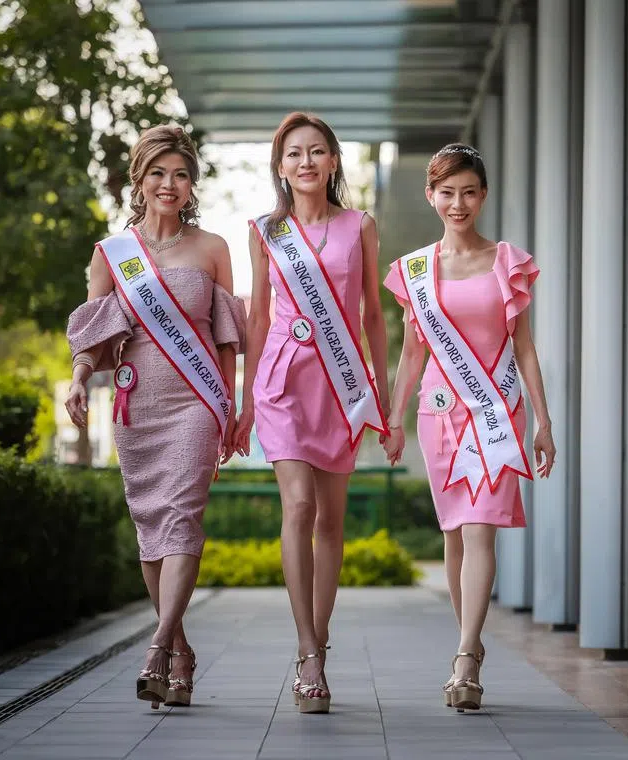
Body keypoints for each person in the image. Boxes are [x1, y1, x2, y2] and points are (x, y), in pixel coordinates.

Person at [65, 125, 245, 710]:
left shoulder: (213, 247)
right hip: (136, 399)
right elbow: (92, 336)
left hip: (196, 401)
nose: (170, 184)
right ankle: (182, 651)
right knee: (151, 528)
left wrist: (231, 406)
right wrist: (75, 380)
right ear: (139, 182)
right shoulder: (111, 255)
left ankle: (157, 646)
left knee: (183, 516)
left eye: (181, 174)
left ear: (192, 184)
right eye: (158, 174)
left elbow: (224, 343)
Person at [381, 143, 556, 712]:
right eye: (447, 192)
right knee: (455, 534)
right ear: (431, 196)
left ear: (483, 196)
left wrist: (545, 421)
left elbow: (524, 346)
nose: (459, 203)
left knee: (480, 528)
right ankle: (471, 644)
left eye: (469, 192)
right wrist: (394, 419)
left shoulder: (508, 261)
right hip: (439, 413)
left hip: (498, 410)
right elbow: (411, 354)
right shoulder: (414, 271)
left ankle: (463, 658)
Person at [234, 112, 390, 714]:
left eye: (317, 151)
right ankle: (306, 651)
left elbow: (374, 314)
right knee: (298, 506)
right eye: (295, 153)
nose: (306, 162)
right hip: (281, 383)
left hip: (341, 385)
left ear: (332, 162)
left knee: (331, 522)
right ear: (281, 166)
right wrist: (246, 398)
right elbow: (256, 317)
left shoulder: (361, 227)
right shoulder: (264, 231)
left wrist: (380, 393)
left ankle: (320, 641)